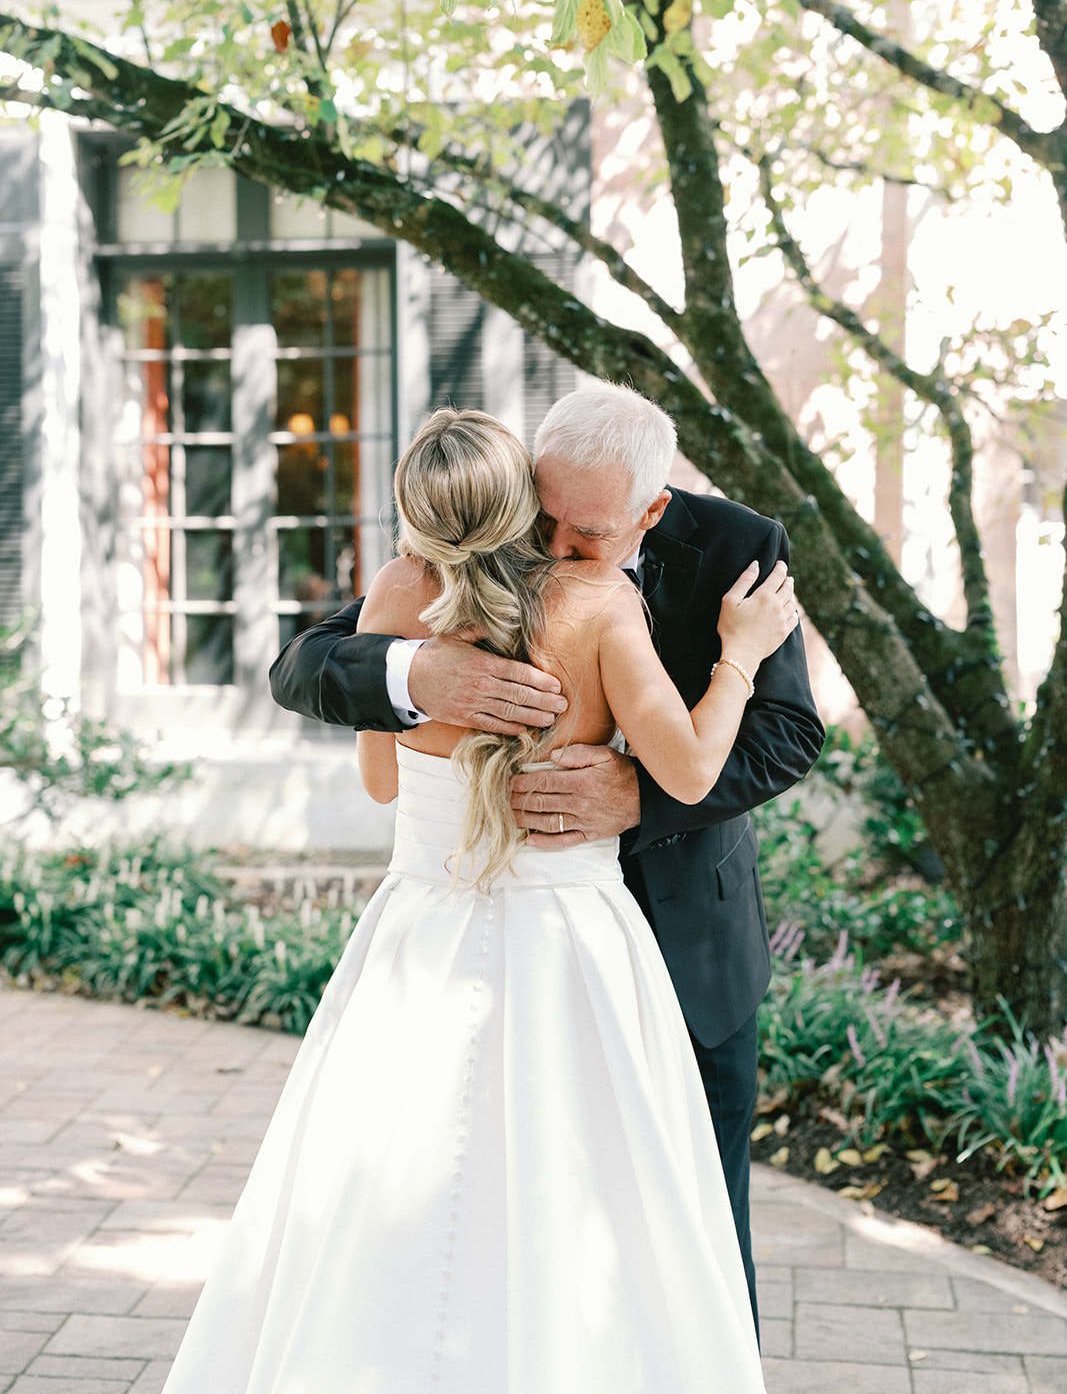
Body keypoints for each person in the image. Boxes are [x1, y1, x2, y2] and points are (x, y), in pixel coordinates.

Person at [164, 408, 795, 1394]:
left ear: (651, 508)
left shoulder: (732, 548)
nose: (551, 546)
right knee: (566, 1212)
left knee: (656, 1222)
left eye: (583, 531)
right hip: (575, 942)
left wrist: (626, 794)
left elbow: (784, 736)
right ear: (518, 482)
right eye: (538, 516)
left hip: (528, 934)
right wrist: (412, 674)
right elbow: (309, 667)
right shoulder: (590, 602)